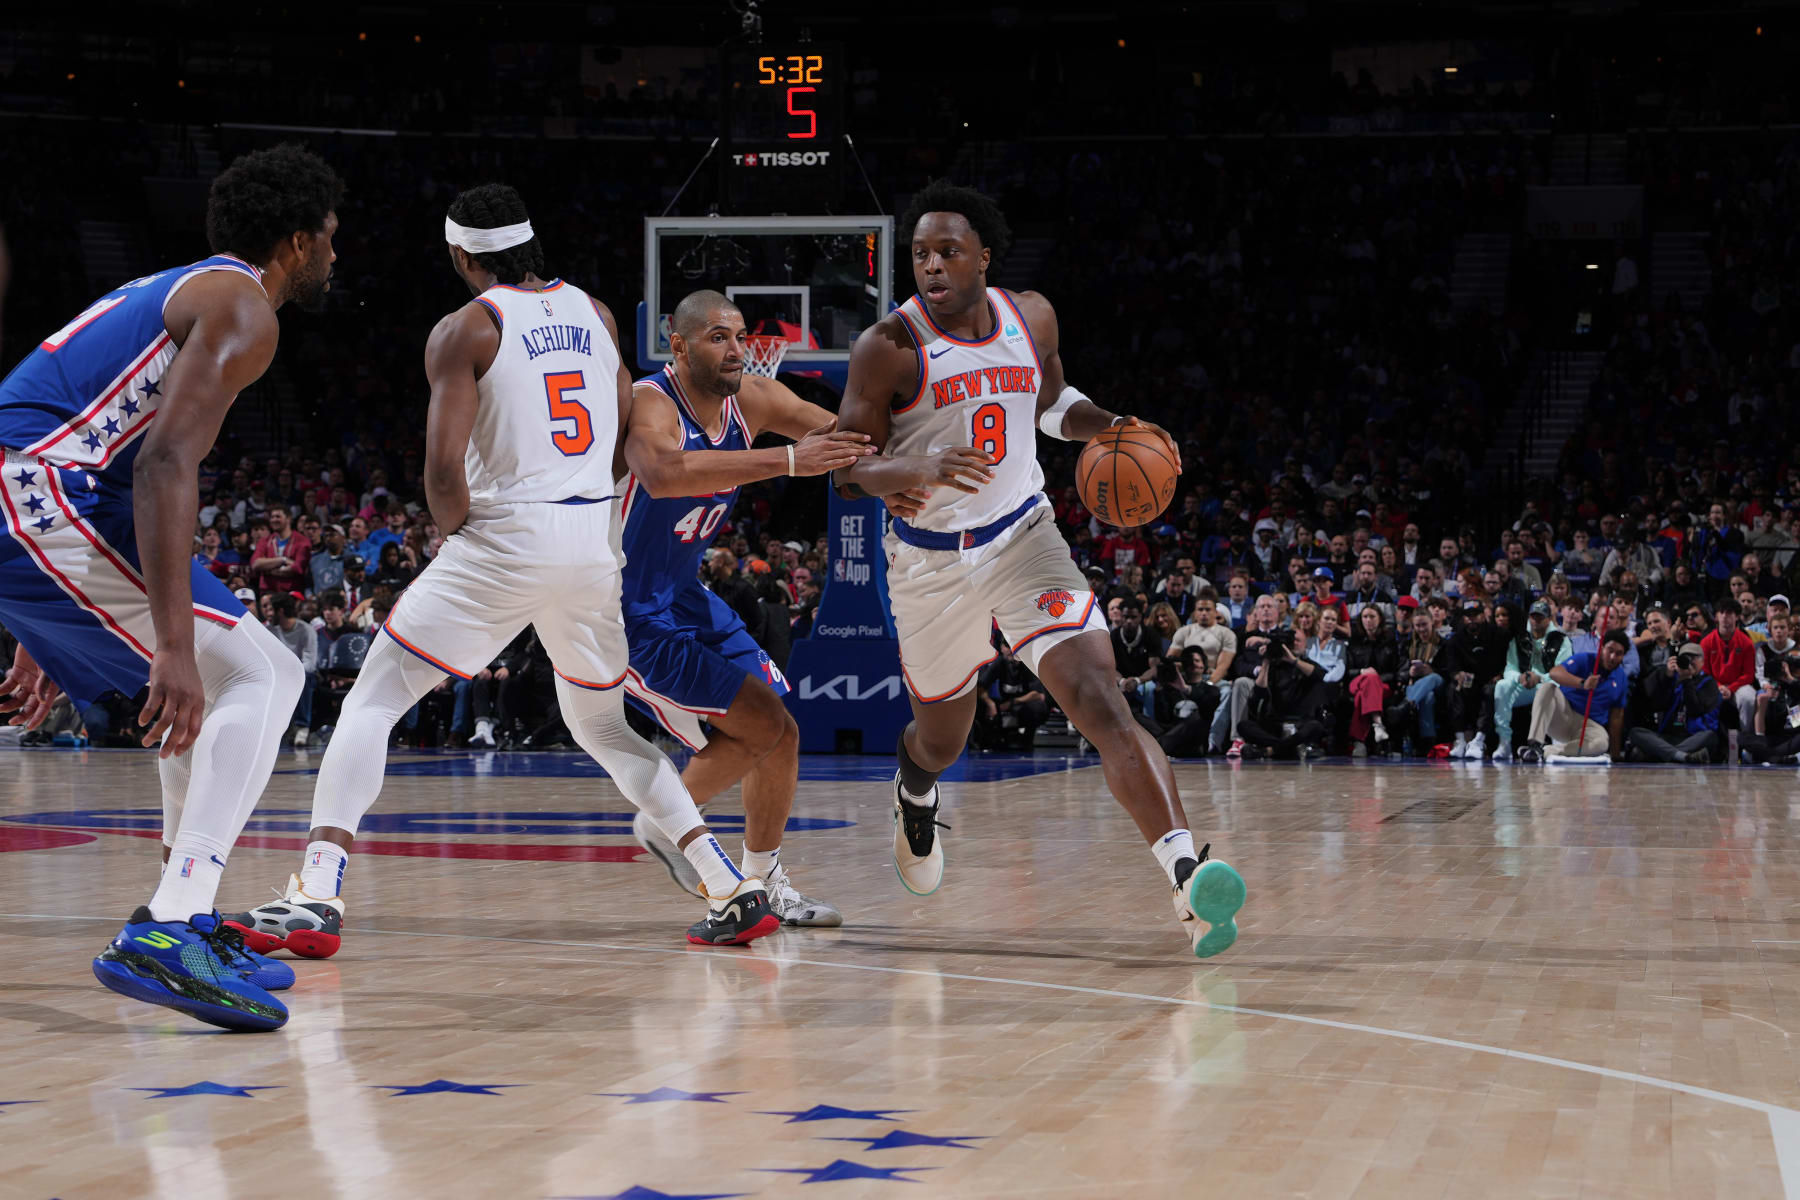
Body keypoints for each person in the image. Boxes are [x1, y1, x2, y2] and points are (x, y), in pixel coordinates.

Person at [225, 184, 779, 957]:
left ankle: (317, 893)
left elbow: (441, 472)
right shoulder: (597, 312)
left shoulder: (465, 329)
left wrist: (474, 550)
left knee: (374, 701)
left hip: (509, 534)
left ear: (460, 255)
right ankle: (731, 885)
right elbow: (622, 432)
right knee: (604, 728)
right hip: (592, 542)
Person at [830, 181, 1244, 958]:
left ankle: (1188, 874)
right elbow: (846, 470)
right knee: (942, 739)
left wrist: (1116, 425)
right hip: (929, 565)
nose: (932, 267)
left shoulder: (1034, 316)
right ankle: (915, 789)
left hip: (1024, 536)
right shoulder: (889, 346)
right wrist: (908, 465)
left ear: (985, 255)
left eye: (949, 252)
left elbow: (1051, 403)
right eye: (920, 254)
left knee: (1101, 702)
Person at [0, 144, 343, 1031]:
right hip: (47, 491)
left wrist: (43, 635)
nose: (336, 258)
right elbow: (162, 466)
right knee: (262, 675)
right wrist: (175, 647)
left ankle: (183, 917)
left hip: (46, 491)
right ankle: (169, 922)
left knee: (226, 684)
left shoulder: (188, 286)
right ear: (298, 242)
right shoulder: (242, 305)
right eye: (332, 239)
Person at [618, 288, 876, 928]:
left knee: (782, 731)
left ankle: (763, 881)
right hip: (625, 612)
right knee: (760, 727)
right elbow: (664, 474)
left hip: (685, 596)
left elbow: (839, 431)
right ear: (677, 345)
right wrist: (789, 460)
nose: (737, 350)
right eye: (718, 338)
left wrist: (910, 453)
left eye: (740, 336)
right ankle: (667, 820)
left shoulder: (753, 399)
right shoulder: (650, 404)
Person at [1521, 628, 1632, 762]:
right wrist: (1582, 683)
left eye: (1619, 654)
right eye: (1610, 650)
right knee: (1547, 688)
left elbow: (1616, 717)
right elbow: (1555, 673)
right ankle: (1534, 744)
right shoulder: (1584, 659)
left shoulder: (1621, 678)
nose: (1613, 657)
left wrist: (1615, 754)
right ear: (1601, 647)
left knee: (1602, 743)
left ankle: (1546, 751)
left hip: (1591, 726)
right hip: (1564, 715)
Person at [1491, 600, 1570, 761]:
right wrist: (1520, 677)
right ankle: (1504, 742)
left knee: (1547, 688)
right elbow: (1510, 667)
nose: (1536, 621)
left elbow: (1562, 671)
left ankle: (1557, 742)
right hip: (1525, 684)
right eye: (1533, 617)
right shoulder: (1519, 638)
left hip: (1550, 684)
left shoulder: (1561, 639)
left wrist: (1540, 677)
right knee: (1501, 686)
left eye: (1540, 617)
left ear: (1548, 619)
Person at [1627, 642, 1723, 764]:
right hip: (1667, 737)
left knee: (1710, 736)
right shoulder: (1672, 679)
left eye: (1693, 658)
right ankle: (1683, 757)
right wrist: (1667, 678)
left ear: (1702, 661)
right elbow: (1657, 705)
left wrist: (1687, 681)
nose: (1689, 662)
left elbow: (1695, 710)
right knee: (1635, 732)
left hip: (1692, 736)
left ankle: (1664, 754)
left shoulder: (1709, 683)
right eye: (1685, 658)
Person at [1702, 597, 1758, 732]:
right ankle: (1711, 739)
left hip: (1738, 686)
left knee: (1748, 698)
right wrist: (1719, 686)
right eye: (1721, 613)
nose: (1725, 617)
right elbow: (1704, 672)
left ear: (1737, 616)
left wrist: (1731, 688)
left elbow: (1749, 675)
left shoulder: (1746, 643)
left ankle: (1746, 739)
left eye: (1729, 613)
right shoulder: (1706, 642)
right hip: (1715, 685)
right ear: (1716, 616)